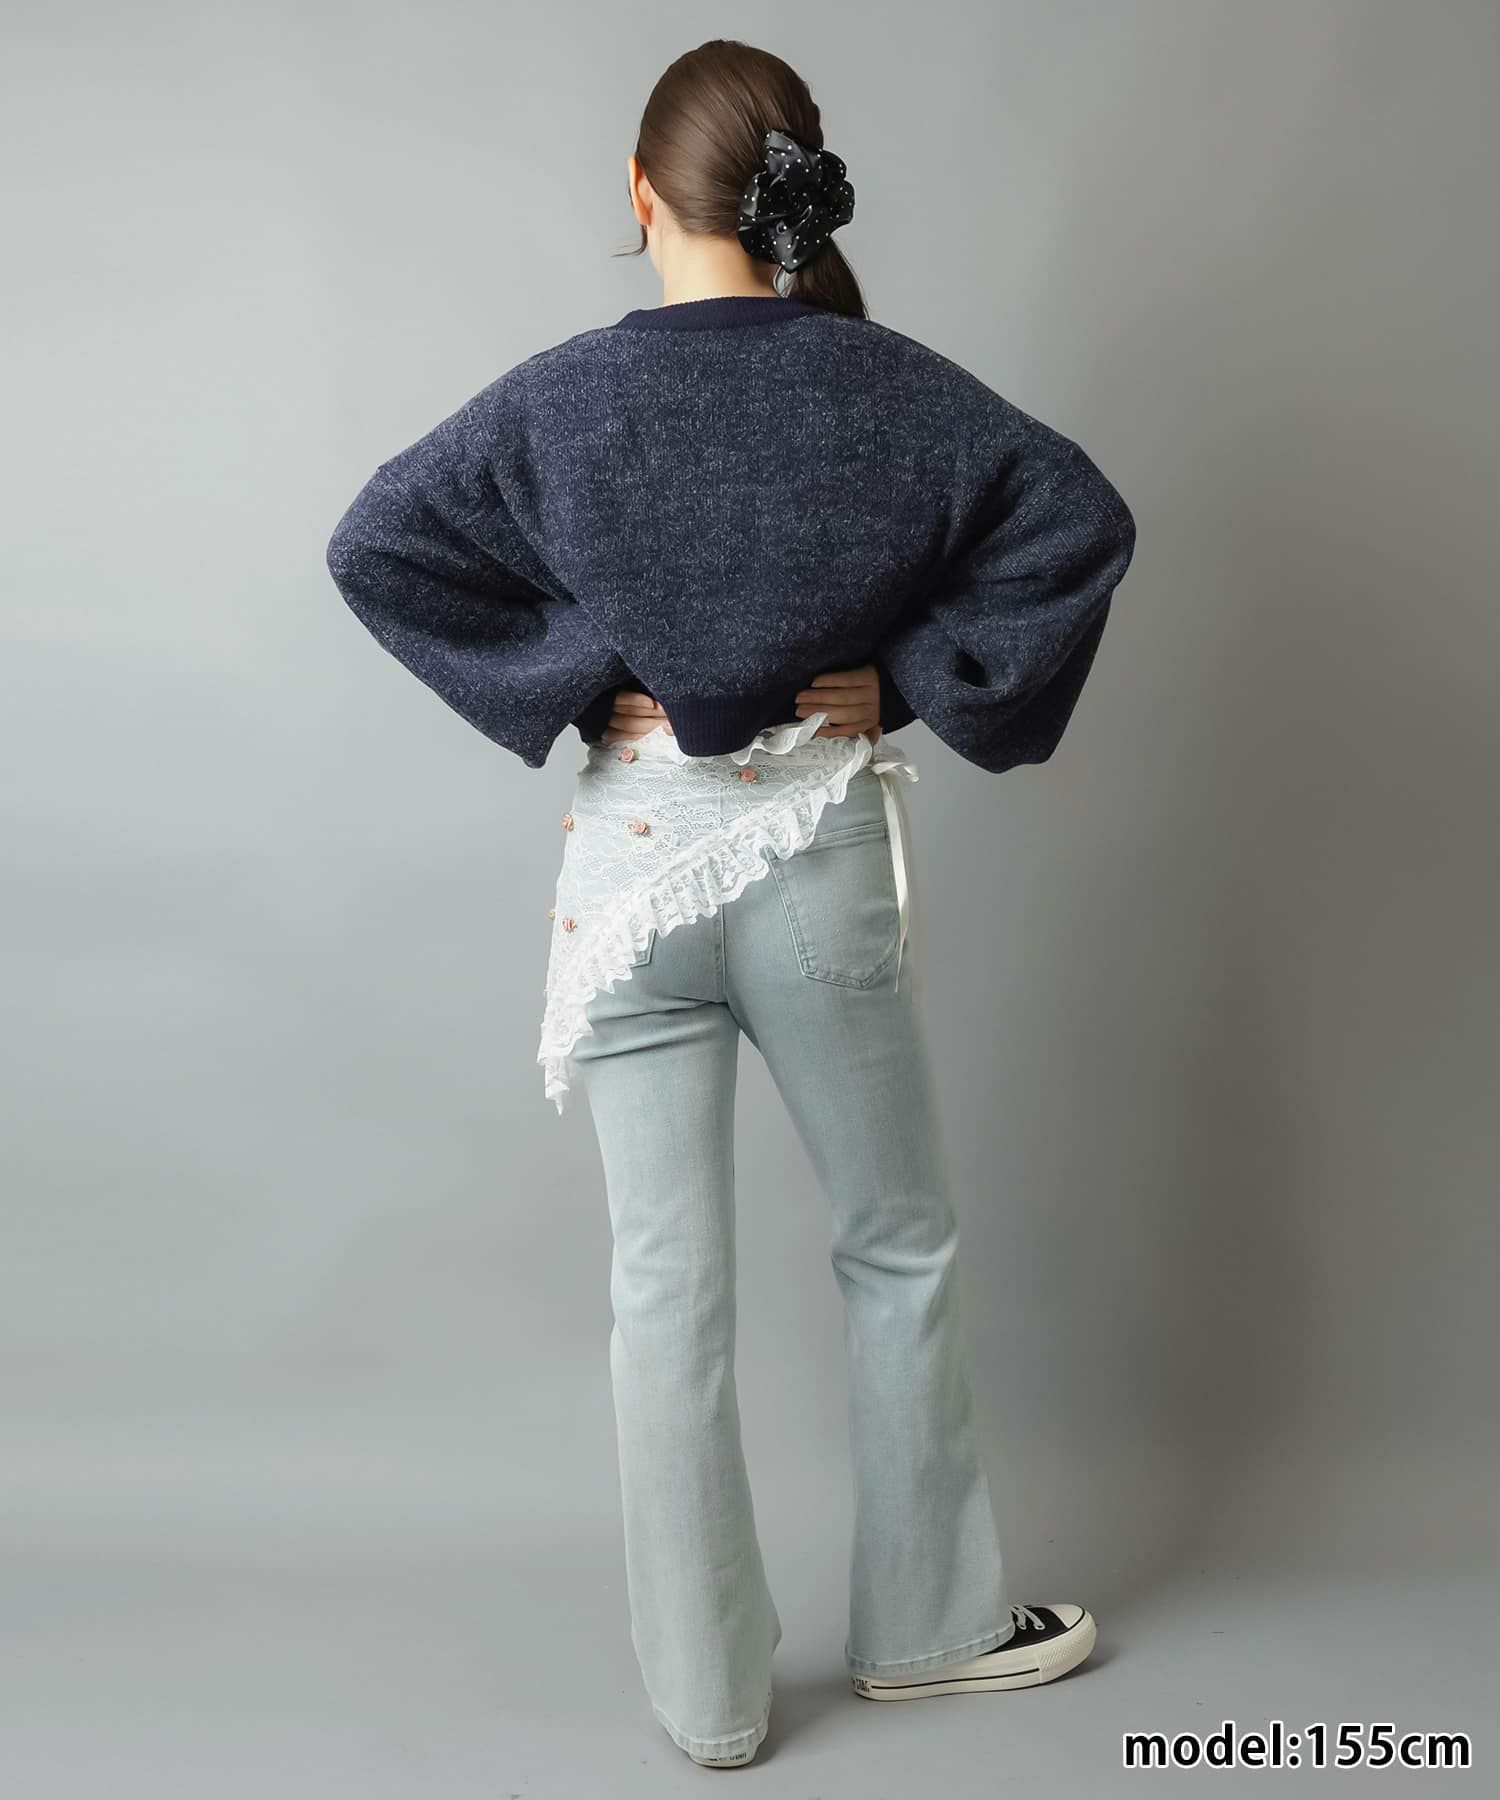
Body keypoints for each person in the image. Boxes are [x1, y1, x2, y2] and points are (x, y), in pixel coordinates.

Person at [325, 37, 1137, 1772]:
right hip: (812, 857)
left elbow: (374, 543)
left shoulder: (560, 400)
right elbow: (1077, 518)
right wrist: (905, 678)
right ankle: (928, 1633)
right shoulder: (889, 387)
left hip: (629, 876)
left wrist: (581, 674)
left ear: (643, 195)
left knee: (662, 1289)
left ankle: (707, 1702)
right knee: (895, 1246)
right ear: (795, 190)